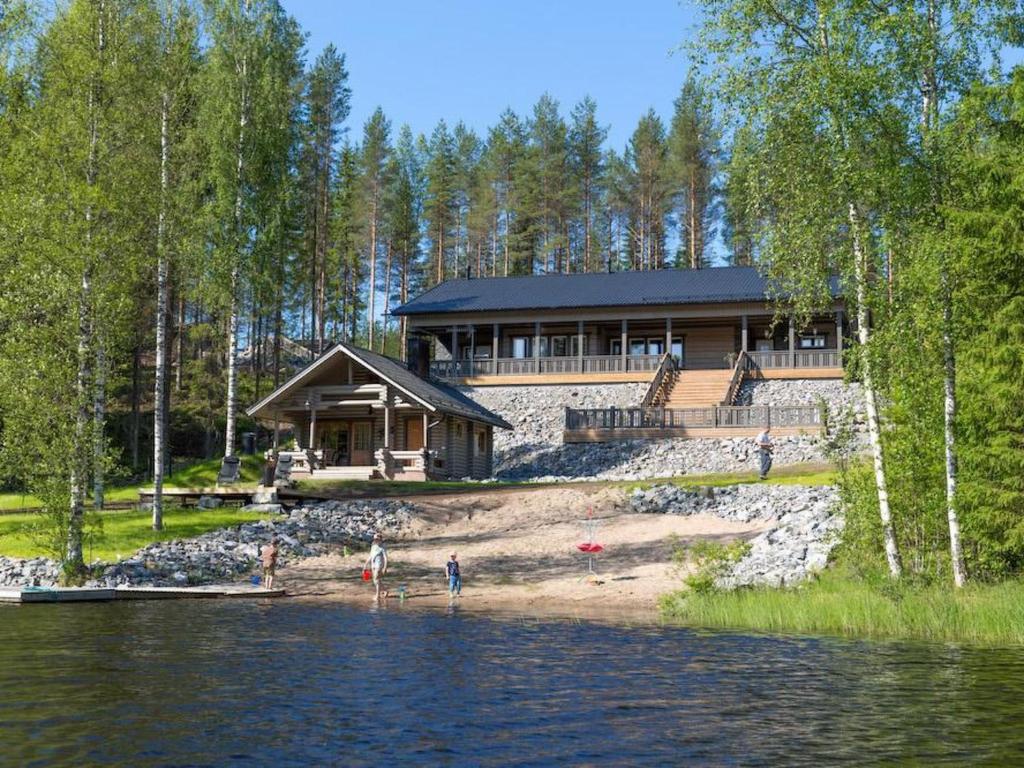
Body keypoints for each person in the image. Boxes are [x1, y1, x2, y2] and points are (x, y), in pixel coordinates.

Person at [365, 532, 389, 601]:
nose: (375, 541)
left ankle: (377, 595)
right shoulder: (373, 546)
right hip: (373, 564)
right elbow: (370, 556)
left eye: (377, 539)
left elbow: (385, 558)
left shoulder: (382, 547)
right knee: (375, 580)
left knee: (376, 579)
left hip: (379, 565)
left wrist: (385, 567)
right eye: (375, 539)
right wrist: (366, 564)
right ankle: (385, 590)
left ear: (380, 540)